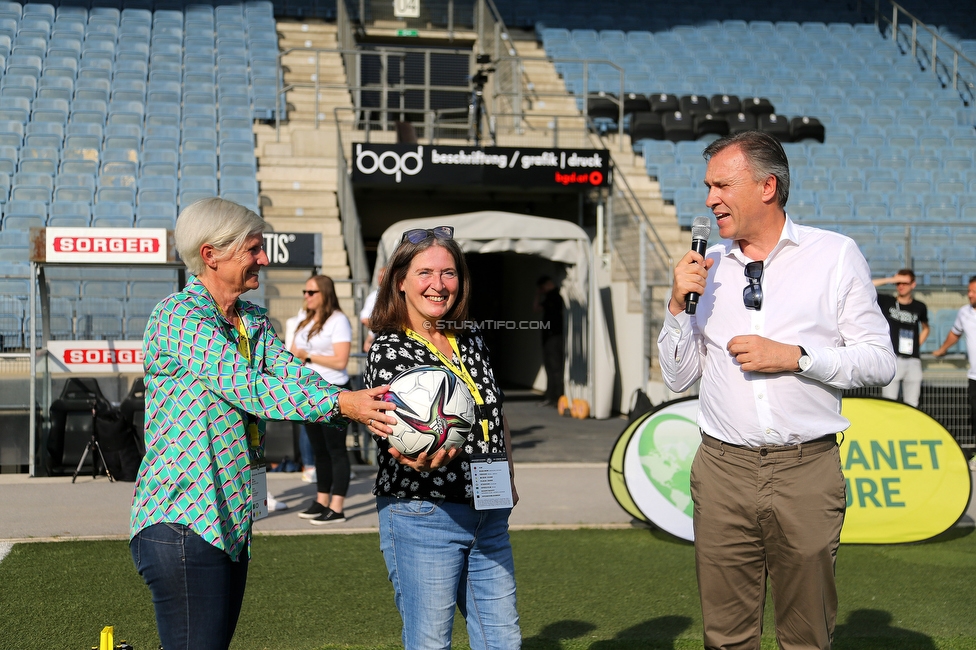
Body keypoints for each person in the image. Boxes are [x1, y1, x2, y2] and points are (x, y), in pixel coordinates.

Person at [657, 131, 895, 650]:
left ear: (767, 186)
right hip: (722, 470)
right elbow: (676, 377)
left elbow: (880, 362)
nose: (709, 199)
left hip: (805, 470)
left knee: (807, 635)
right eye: (707, 186)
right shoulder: (707, 268)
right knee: (726, 637)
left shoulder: (834, 255)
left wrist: (796, 358)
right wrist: (676, 307)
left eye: (722, 185)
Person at [129, 198, 395, 650]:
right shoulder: (178, 316)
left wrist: (363, 401)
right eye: (253, 249)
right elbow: (248, 387)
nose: (264, 259)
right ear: (211, 255)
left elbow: (291, 374)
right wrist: (341, 404)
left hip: (230, 522)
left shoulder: (252, 319)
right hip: (182, 522)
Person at [365, 225, 521, 649]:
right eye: (425, 273)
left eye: (449, 273)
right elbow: (391, 427)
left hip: (489, 513)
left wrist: (508, 474)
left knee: (502, 639)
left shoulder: (470, 338)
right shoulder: (390, 346)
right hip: (424, 514)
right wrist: (407, 453)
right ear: (400, 281)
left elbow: (495, 410)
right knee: (431, 642)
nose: (439, 284)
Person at [291, 275, 353, 524]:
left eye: (311, 292)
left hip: (334, 390)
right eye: (305, 291)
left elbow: (340, 360)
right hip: (309, 391)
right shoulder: (305, 318)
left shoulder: (338, 320)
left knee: (336, 450)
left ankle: (337, 507)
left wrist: (308, 356)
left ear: (325, 294)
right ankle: (322, 500)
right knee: (318, 451)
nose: (306, 296)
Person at [932, 275, 976, 469]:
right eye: (969, 291)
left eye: (974, 292)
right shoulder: (964, 312)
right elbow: (955, 333)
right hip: (974, 375)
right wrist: (942, 349)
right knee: (974, 415)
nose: (970, 295)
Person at [872, 269, 929, 407]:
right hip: (892, 358)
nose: (901, 286)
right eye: (898, 283)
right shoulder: (887, 301)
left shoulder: (920, 306)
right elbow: (866, 285)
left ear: (913, 284)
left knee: (912, 404)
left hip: (913, 360)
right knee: (889, 402)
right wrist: (890, 279)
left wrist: (917, 345)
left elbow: (926, 328)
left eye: (905, 283)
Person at [533, 275, 564, 407]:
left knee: (555, 367)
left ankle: (557, 397)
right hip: (549, 336)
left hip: (554, 336)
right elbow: (536, 308)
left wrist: (539, 295)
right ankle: (551, 396)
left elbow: (537, 309)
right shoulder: (550, 297)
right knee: (550, 367)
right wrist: (538, 295)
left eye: (542, 288)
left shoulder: (556, 296)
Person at [360, 266, 386, 352]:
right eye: (379, 276)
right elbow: (365, 319)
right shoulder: (374, 296)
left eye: (384, 276)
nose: (380, 279)